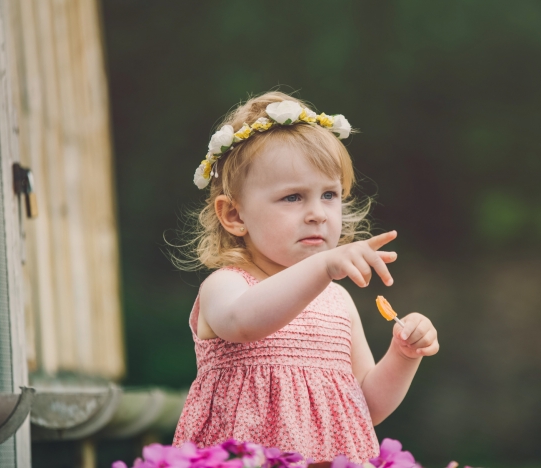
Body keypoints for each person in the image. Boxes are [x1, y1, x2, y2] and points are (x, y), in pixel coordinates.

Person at [172, 92, 440, 463]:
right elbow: (243, 324)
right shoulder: (226, 285)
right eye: (293, 197)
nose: (317, 213)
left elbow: (365, 406)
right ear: (234, 215)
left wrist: (403, 355)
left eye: (329, 194)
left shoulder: (337, 302)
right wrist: (323, 266)